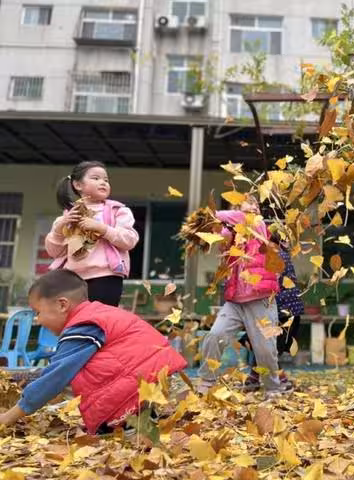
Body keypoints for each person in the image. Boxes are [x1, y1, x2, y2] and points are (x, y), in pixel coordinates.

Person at [0, 270, 186, 434]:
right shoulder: (99, 313)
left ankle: (132, 420)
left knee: (67, 374)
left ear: (62, 305)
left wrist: (8, 417)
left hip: (146, 390)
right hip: (161, 380)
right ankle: (134, 418)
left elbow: (54, 378)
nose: (38, 320)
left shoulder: (82, 327)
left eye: (37, 312)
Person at [198, 195, 288, 394]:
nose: (252, 212)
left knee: (265, 349)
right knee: (215, 336)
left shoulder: (261, 229)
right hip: (235, 303)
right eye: (247, 210)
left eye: (255, 209)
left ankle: (273, 389)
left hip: (261, 300)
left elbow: (240, 219)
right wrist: (211, 227)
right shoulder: (231, 235)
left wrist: (215, 214)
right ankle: (207, 381)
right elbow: (219, 235)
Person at [46, 161, 139, 307]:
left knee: (100, 318)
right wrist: (59, 228)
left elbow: (130, 241)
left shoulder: (118, 211)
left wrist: (102, 229)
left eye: (106, 180)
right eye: (96, 178)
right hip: (73, 279)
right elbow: (54, 252)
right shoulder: (67, 216)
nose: (103, 182)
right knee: (75, 318)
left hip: (106, 276)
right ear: (78, 185)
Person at [241, 234, 304, 392]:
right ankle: (254, 378)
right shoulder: (281, 254)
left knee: (268, 346)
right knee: (263, 343)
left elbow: (267, 281)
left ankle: (279, 379)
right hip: (287, 308)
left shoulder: (275, 256)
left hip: (282, 309)